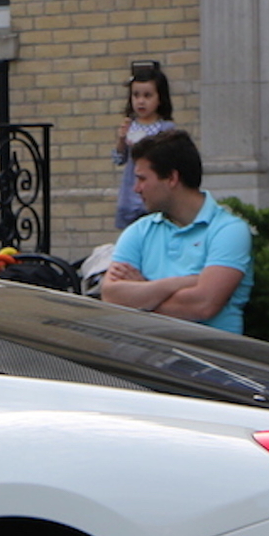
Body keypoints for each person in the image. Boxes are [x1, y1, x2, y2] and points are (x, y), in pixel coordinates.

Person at [100, 128, 252, 334]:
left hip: (211, 358)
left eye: (142, 179)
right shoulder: (139, 231)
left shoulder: (229, 231)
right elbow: (110, 296)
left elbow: (203, 305)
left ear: (172, 178)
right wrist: (184, 282)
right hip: (146, 358)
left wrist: (142, 293)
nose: (136, 188)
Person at [112, 63, 178, 229]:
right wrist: (121, 139)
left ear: (160, 98)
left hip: (156, 195)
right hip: (130, 196)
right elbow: (119, 159)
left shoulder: (166, 129)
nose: (141, 101)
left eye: (147, 96)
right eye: (136, 95)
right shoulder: (130, 126)